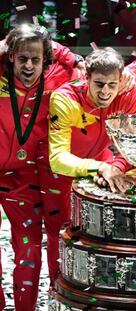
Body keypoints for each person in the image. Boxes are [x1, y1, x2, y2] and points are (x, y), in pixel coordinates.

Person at [0, 23, 81, 310]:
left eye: (36, 59)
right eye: (22, 58)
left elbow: (104, 75)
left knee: (29, 249)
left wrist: (74, 59)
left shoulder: (62, 77)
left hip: (23, 179)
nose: (29, 66)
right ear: (10, 56)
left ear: (46, 59)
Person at [48, 47, 136, 195]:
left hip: (104, 164)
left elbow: (130, 143)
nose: (105, 91)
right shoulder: (64, 99)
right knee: (63, 219)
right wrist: (100, 168)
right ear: (86, 77)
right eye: (99, 83)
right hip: (60, 172)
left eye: (112, 84)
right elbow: (57, 158)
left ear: (121, 79)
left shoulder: (129, 93)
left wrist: (116, 168)